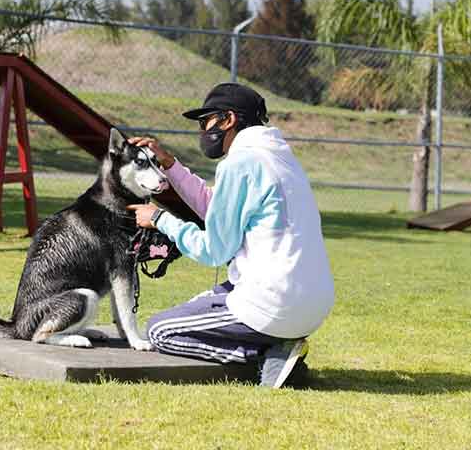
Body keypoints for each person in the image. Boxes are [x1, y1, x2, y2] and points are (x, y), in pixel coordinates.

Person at [126, 82, 335, 388]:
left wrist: (160, 220)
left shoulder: (241, 161)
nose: (202, 131)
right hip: (311, 302)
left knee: (161, 330)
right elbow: (218, 209)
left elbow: (214, 251)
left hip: (277, 303)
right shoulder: (277, 155)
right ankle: (279, 344)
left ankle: (267, 354)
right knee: (199, 303)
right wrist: (170, 165)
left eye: (205, 121)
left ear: (228, 120)